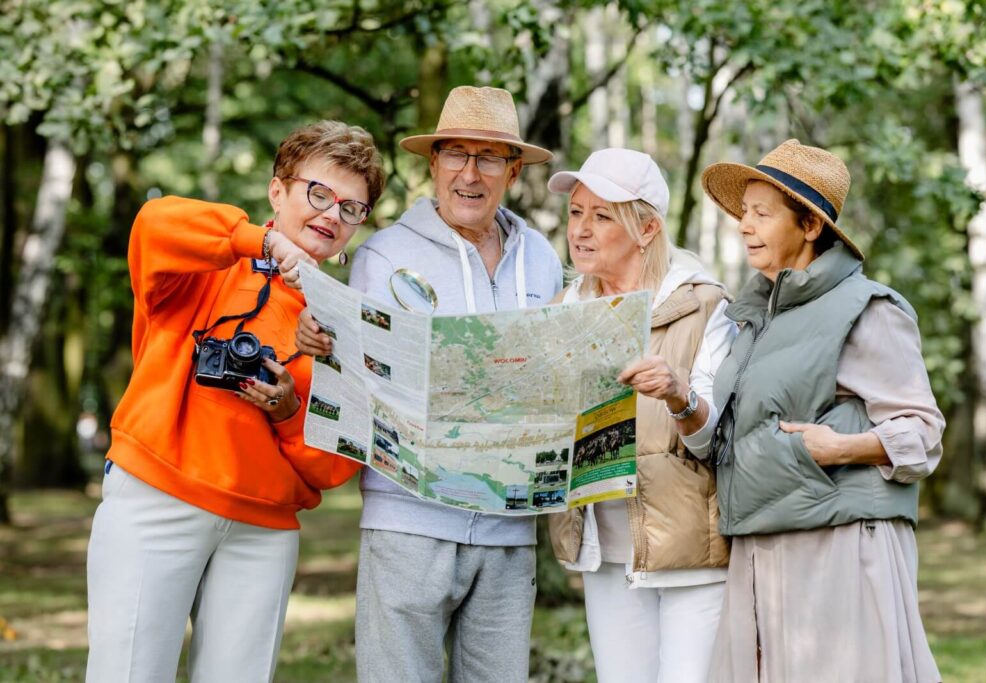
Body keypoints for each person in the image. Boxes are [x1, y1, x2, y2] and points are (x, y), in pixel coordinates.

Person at [86, 121, 385, 682]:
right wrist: (262, 242)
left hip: (263, 529)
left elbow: (330, 468)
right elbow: (154, 223)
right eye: (319, 193)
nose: (331, 215)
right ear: (278, 191)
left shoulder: (345, 318)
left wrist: (289, 409)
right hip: (157, 496)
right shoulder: (213, 260)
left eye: (352, 208)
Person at [296, 86, 564, 682]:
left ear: (513, 170)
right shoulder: (382, 257)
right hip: (407, 524)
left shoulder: (543, 260)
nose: (470, 173)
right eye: (455, 155)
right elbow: (347, 385)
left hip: (509, 529)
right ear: (433, 164)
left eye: (489, 157)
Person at [700, 139, 944, 682]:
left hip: (838, 545)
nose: (745, 226)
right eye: (744, 213)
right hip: (763, 544)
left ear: (810, 226)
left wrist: (840, 448)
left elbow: (924, 433)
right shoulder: (753, 319)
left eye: (762, 214)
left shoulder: (869, 309)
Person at [545, 148, 735, 682]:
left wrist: (680, 397)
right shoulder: (564, 310)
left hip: (688, 550)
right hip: (602, 548)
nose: (580, 230)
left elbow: (718, 440)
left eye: (602, 216)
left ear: (647, 228)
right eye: (576, 212)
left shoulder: (704, 307)